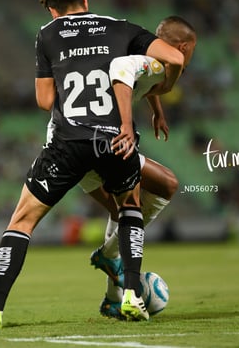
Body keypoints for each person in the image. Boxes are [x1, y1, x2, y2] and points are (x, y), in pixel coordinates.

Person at [0, 0, 184, 329]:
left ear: (53, 13)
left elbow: (45, 101)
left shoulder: (47, 35)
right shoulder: (120, 27)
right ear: (86, 3)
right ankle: (132, 295)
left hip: (69, 142)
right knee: (130, 208)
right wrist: (161, 94)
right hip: (114, 139)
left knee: (22, 221)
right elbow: (174, 58)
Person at [82, 17, 197, 319]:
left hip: (73, 144)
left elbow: (139, 81)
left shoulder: (142, 55)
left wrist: (156, 110)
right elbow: (124, 71)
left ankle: (112, 298)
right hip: (101, 142)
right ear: (184, 48)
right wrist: (126, 125)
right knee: (167, 184)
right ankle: (109, 255)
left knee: (120, 213)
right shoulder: (158, 64)